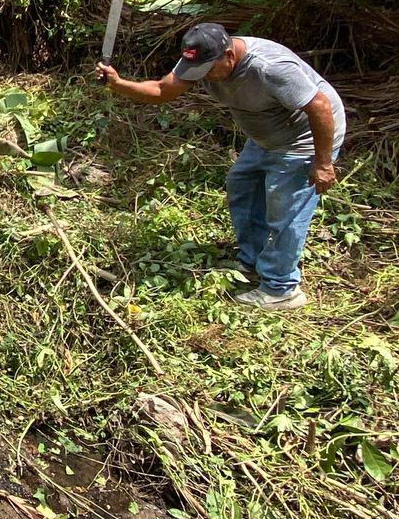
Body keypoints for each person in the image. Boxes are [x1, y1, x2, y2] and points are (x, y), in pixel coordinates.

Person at [96, 23, 345, 311]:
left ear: (228, 55)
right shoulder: (199, 60)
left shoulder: (270, 68)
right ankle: (251, 262)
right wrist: (118, 84)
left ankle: (282, 288)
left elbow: (319, 106)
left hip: (303, 140)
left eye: (207, 70)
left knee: (285, 210)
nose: (202, 77)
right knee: (242, 186)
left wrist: (323, 162)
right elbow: (163, 90)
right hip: (264, 137)